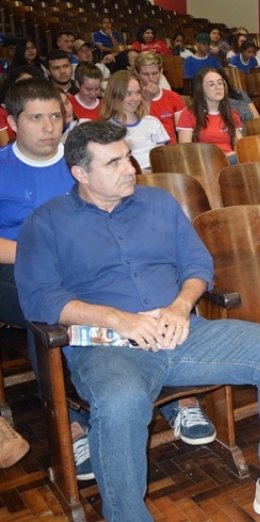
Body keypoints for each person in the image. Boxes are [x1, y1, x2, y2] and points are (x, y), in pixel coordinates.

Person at [15, 120, 260, 522]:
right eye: (113, 163)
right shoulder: (46, 222)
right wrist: (119, 320)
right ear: (80, 174)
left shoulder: (159, 204)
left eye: (128, 157)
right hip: (110, 349)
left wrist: (180, 305)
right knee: (120, 403)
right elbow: (39, 298)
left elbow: (197, 264)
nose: (129, 169)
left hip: (184, 334)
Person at [0, 79, 75, 472]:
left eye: (55, 116)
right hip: (15, 268)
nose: (49, 127)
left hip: (83, 264)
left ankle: (172, 397)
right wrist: (42, 257)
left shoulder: (82, 160)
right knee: (45, 303)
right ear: (13, 121)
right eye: (35, 118)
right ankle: (71, 426)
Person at [98, 71, 169, 171]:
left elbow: (161, 159)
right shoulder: (107, 129)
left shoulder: (153, 122)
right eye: (129, 94)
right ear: (115, 96)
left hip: (156, 176)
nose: (135, 99)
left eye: (138, 92)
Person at [177, 68, 243, 161]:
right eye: (212, 84)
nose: (218, 87)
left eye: (220, 83)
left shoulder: (232, 114)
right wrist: (223, 157)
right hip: (204, 163)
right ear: (201, 89)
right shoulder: (188, 114)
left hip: (231, 163)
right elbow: (185, 152)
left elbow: (239, 147)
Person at [135, 52, 185, 144]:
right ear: (137, 74)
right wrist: (146, 99)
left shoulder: (174, 97)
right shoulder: (131, 99)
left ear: (161, 72)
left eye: (155, 73)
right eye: (145, 74)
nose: (151, 78)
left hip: (170, 150)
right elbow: (138, 131)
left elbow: (183, 131)